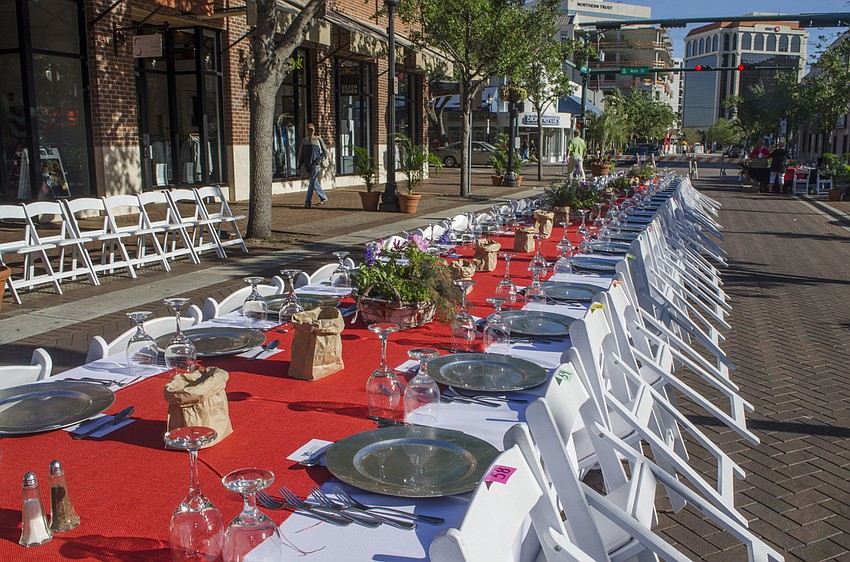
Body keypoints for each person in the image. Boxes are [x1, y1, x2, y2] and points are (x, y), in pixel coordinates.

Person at [297, 123, 328, 208]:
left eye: (312, 130)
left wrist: (319, 160)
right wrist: (299, 165)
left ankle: (307, 202)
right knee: (314, 183)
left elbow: (325, 153)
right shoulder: (305, 141)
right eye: (309, 130)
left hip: (316, 165)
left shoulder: (318, 140)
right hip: (308, 166)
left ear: (314, 130)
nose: (311, 131)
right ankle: (324, 198)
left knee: (312, 182)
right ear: (307, 131)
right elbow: (301, 155)